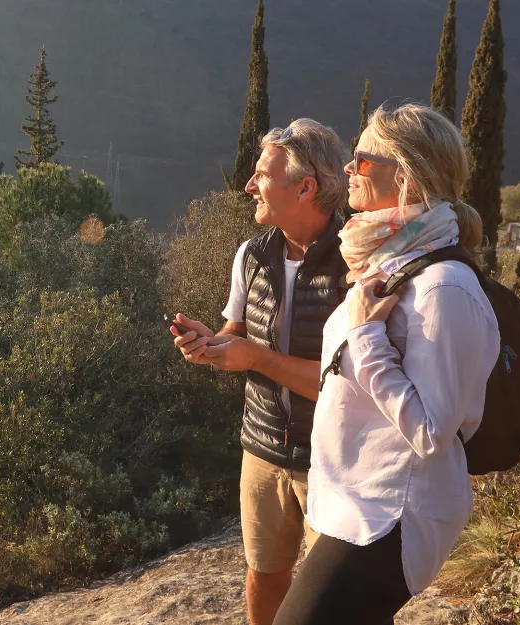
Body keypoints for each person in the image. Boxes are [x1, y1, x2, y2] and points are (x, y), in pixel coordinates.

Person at [273, 103, 499, 625]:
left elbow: (431, 432)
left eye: (361, 159)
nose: (348, 170)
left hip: (392, 513)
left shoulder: (445, 289)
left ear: (406, 175)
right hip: (354, 499)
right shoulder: (388, 262)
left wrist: (368, 334)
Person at [170, 118, 350, 625]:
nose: (248, 186)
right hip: (263, 452)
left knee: (333, 600)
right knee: (264, 578)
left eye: (261, 175)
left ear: (305, 188)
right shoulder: (252, 255)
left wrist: (255, 357)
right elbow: (237, 332)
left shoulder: (355, 264)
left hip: (333, 462)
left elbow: (352, 383)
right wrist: (210, 343)